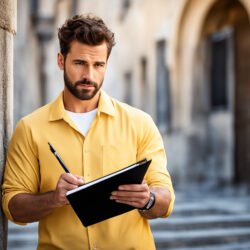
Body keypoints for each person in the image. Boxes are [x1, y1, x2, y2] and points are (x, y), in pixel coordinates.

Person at [2, 14, 175, 250]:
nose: (89, 76)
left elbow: (166, 200)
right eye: (80, 63)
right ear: (61, 61)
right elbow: (13, 206)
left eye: (98, 65)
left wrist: (148, 199)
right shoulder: (30, 128)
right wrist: (54, 198)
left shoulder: (140, 123)